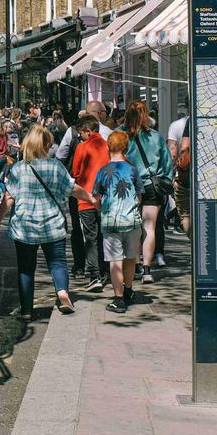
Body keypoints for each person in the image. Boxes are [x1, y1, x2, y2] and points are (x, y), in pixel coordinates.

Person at [0, 124, 92, 320]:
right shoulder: (56, 166)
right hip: (52, 225)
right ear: (46, 145)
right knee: (57, 263)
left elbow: (8, 198)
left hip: (24, 227)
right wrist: (93, 200)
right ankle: (62, 292)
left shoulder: (18, 168)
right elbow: (74, 189)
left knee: (26, 269)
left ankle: (27, 311)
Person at [118, 100, 174, 283]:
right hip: (151, 186)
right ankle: (147, 269)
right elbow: (167, 165)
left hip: (128, 186)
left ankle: (133, 266)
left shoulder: (119, 135)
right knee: (149, 227)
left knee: (133, 228)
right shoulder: (156, 137)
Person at [92, 131, 144, 313]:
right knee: (130, 258)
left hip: (111, 221)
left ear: (108, 147)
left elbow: (96, 197)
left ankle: (118, 298)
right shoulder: (133, 170)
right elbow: (139, 196)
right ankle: (128, 289)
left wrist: (101, 209)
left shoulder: (103, 171)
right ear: (126, 147)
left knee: (114, 260)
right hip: (131, 221)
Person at [71, 115, 111, 292]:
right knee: (105, 237)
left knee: (90, 238)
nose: (80, 136)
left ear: (88, 130)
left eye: (81, 133)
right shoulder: (108, 145)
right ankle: (105, 272)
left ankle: (94, 275)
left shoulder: (81, 147)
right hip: (106, 199)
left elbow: (76, 171)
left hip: (86, 199)